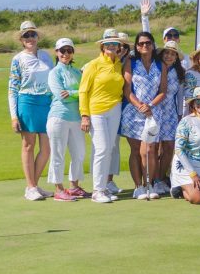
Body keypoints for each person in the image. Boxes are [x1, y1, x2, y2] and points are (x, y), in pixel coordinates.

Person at [79, 29, 126, 203]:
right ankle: (97, 191)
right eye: (108, 44)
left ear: (119, 47)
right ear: (102, 46)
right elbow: (83, 91)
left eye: (114, 44)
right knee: (102, 148)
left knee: (109, 149)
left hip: (115, 109)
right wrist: (85, 115)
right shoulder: (93, 65)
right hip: (96, 111)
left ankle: (103, 187)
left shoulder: (119, 64)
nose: (111, 46)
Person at [8, 21, 53, 201]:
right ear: (21, 39)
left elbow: (53, 79)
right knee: (28, 145)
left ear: (37, 37)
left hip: (46, 103)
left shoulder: (46, 56)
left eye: (32, 34)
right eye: (26, 35)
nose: (30, 38)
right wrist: (14, 116)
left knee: (46, 148)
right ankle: (31, 187)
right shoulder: (18, 59)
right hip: (27, 102)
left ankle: (33, 185)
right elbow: (12, 88)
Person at [119, 31, 165, 200]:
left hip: (153, 112)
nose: (144, 46)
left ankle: (149, 184)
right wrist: (139, 105)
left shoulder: (160, 64)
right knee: (136, 150)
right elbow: (127, 90)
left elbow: (163, 91)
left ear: (153, 45)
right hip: (133, 112)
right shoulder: (131, 62)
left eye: (147, 43)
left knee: (150, 150)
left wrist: (149, 105)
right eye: (141, 44)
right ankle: (138, 187)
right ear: (137, 47)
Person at [45, 38, 87, 201]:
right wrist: (76, 93)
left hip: (76, 118)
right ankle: (58, 189)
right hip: (58, 117)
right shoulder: (54, 73)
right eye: (62, 51)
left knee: (79, 153)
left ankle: (74, 187)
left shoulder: (77, 72)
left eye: (69, 50)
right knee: (58, 154)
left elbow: (84, 92)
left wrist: (72, 93)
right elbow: (61, 95)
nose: (66, 54)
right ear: (57, 52)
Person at [154, 40, 186, 194]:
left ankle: (161, 178)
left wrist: (180, 116)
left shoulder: (179, 72)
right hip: (154, 111)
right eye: (166, 53)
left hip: (170, 113)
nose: (169, 56)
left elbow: (180, 97)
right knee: (153, 148)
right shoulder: (155, 68)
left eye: (173, 54)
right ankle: (153, 180)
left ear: (176, 57)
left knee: (168, 147)